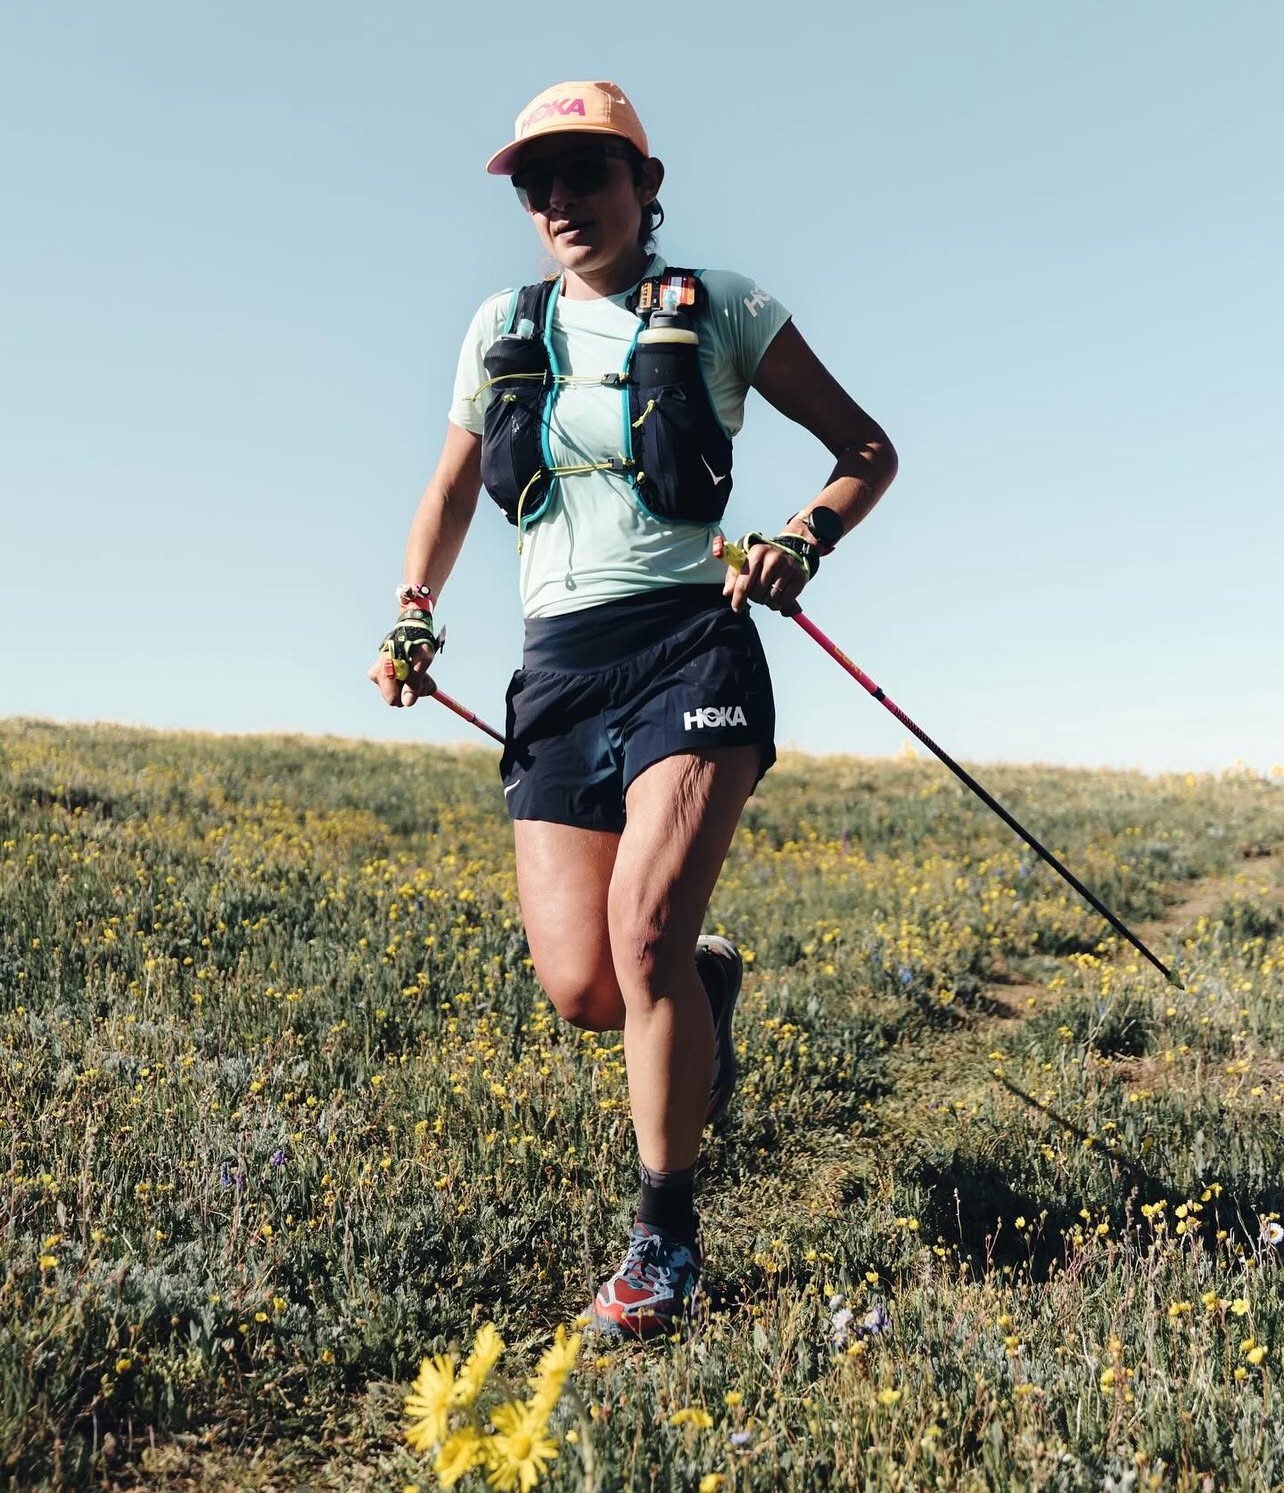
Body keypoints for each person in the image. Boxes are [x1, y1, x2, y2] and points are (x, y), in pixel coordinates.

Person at [369, 80, 897, 1338]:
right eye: (536, 183)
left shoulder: (723, 308)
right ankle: (706, 987)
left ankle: (664, 1244)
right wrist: (413, 610)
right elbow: (449, 491)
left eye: (587, 173)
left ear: (645, 186)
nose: (561, 200)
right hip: (556, 668)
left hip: (691, 647)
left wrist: (801, 540)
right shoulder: (501, 327)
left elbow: (865, 448)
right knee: (587, 988)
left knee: (646, 933)